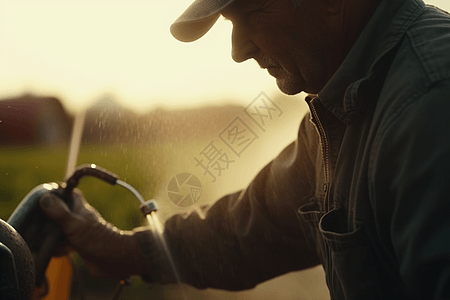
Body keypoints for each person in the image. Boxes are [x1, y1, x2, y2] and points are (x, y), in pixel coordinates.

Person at [39, 0, 450, 298]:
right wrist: (124, 249)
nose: (238, 51)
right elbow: (255, 229)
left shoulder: (429, 102)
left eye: (251, 14)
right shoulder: (342, 107)